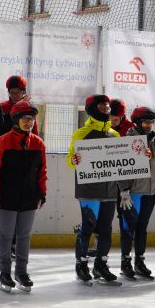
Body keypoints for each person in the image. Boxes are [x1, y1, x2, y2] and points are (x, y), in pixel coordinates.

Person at [0, 101, 46, 293]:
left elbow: (42, 171)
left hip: (29, 197)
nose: (29, 122)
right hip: (7, 197)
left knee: (24, 236)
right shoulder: (3, 141)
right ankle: (4, 272)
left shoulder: (38, 143)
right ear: (16, 120)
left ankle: (21, 272)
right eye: (25, 119)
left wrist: (42, 193)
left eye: (32, 119)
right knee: (5, 235)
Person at [68, 94, 120, 284]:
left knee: (106, 228)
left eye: (107, 104)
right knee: (89, 225)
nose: (106, 107)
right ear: (92, 108)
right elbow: (69, 159)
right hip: (89, 189)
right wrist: (74, 160)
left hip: (109, 190)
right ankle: (81, 264)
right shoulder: (81, 133)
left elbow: (121, 161)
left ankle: (101, 265)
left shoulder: (114, 134)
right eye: (102, 105)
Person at [0, 75, 37, 256]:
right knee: (2, 206)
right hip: (5, 163)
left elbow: (35, 135)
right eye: (12, 92)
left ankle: (15, 243)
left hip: (24, 164)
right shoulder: (1, 108)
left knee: (22, 205)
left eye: (19, 92)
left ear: (24, 92)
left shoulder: (30, 110)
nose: (15, 95)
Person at [118, 106, 155, 280]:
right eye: (146, 122)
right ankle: (125, 262)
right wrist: (124, 189)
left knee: (142, 228)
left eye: (151, 122)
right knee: (128, 227)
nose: (149, 125)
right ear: (137, 122)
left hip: (150, 192)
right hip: (133, 192)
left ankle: (139, 261)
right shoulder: (128, 139)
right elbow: (120, 166)